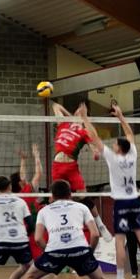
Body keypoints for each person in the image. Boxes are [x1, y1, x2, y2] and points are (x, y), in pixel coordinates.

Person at [4, 180, 140, 279]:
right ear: (70, 194)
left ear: (52, 196)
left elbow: (37, 239)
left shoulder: (44, 210)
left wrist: (50, 251)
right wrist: (89, 252)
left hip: (54, 252)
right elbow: (95, 234)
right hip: (80, 251)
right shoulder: (82, 207)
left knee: (29, 278)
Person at [80, 105, 140, 279]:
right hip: (135, 201)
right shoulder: (133, 155)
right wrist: (120, 115)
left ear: (119, 149)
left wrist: (85, 118)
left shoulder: (113, 158)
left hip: (121, 204)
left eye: (116, 144)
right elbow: (130, 134)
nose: (113, 146)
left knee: (120, 241)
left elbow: (94, 137)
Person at [0, 147, 60, 279]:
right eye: (22, 178)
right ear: (20, 183)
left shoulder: (14, 195)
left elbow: (23, 175)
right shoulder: (27, 191)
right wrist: (37, 157)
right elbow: (38, 174)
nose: (25, 178)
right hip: (32, 233)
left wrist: (23, 160)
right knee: (41, 266)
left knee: (26, 267)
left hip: (24, 233)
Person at [49, 101, 110, 238]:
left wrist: (95, 153)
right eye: (77, 110)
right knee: (53, 198)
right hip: (57, 166)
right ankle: (56, 229)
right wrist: (70, 116)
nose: (79, 111)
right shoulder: (63, 123)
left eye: (82, 112)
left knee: (84, 196)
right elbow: (55, 106)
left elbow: (93, 147)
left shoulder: (84, 131)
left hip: (71, 167)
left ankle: (100, 225)